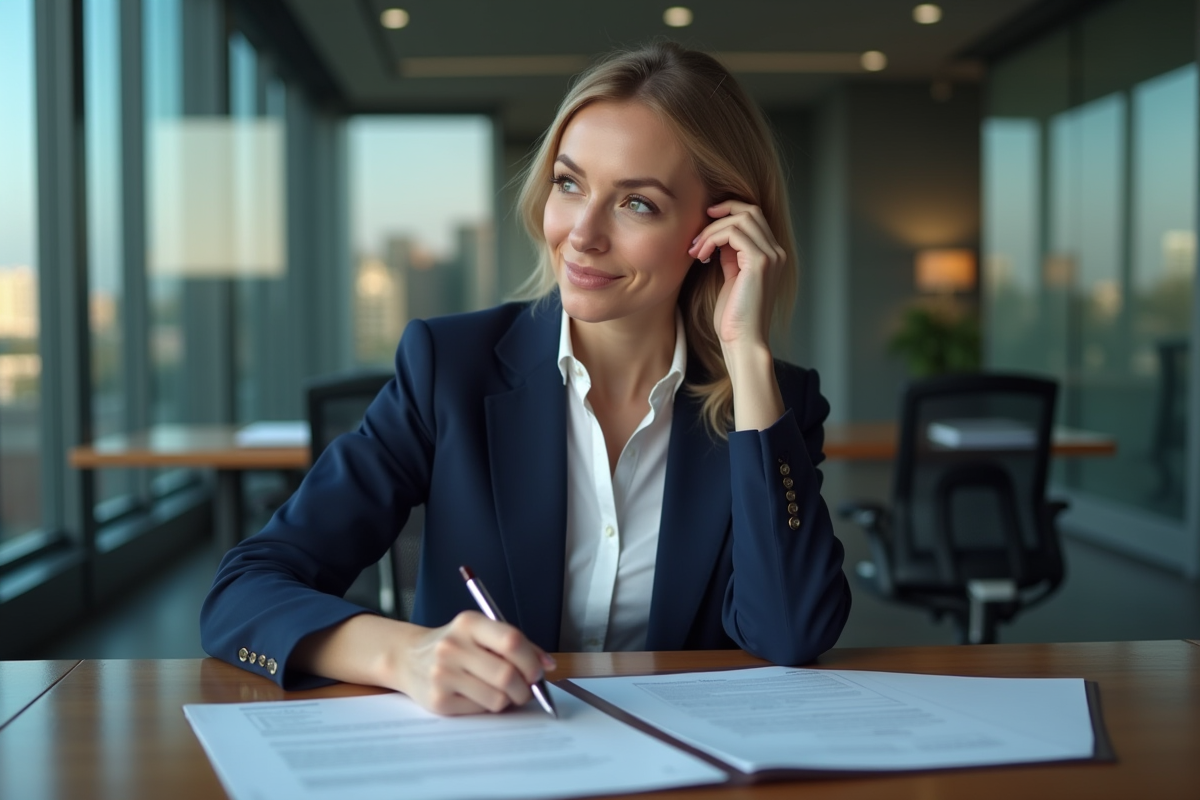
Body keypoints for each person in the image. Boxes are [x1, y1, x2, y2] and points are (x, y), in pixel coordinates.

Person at [201, 41, 850, 716]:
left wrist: (746, 355)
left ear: (719, 228)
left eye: (637, 203)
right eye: (570, 185)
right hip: (485, 754)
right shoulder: (448, 368)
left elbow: (790, 632)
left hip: (684, 760)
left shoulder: (774, 404)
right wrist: (404, 655)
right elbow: (243, 592)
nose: (583, 234)